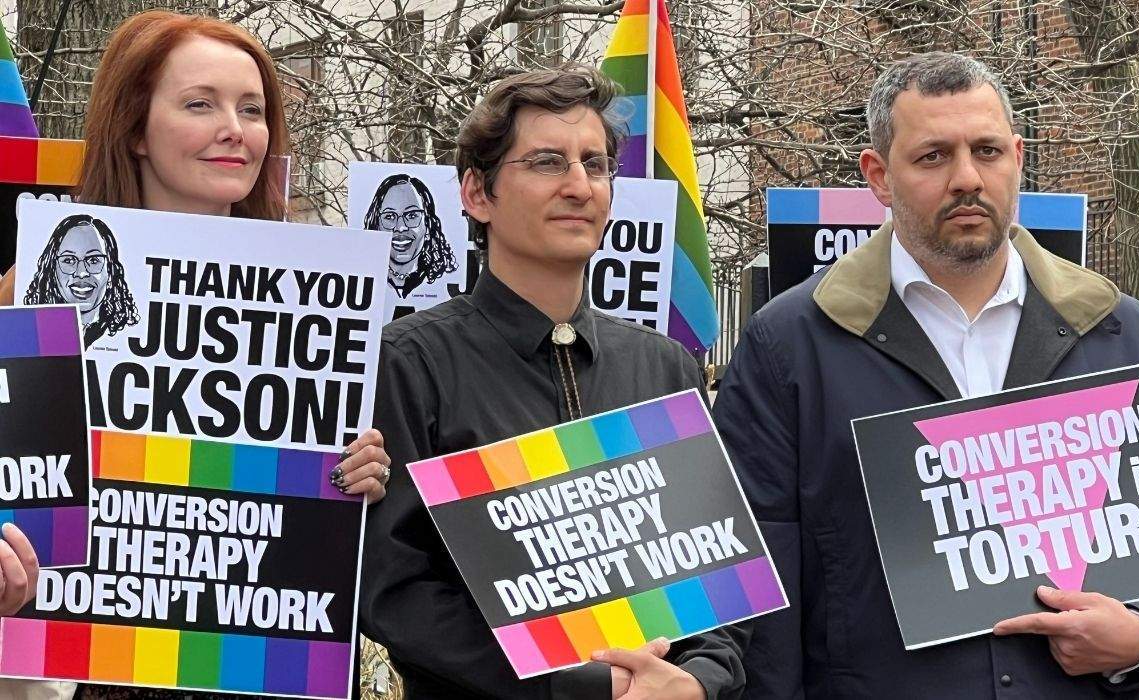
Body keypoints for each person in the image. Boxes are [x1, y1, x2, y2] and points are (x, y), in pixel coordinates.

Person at [713, 51, 1139, 698]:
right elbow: (755, 581)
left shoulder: (1117, 331)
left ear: (1016, 156)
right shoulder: (789, 342)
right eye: (932, 156)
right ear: (878, 175)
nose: (966, 177)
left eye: (986, 151)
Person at [0, 10, 392, 700]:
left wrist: (353, 474)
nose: (234, 130)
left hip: (255, 670)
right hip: (73, 671)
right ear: (133, 129)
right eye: (199, 104)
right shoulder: (25, 298)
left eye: (252, 109)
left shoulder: (320, 304)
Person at [361, 65, 745, 700]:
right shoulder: (408, 363)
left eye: (594, 165)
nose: (578, 186)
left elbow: (718, 573)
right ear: (477, 195)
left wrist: (697, 683)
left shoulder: (664, 367)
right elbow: (396, 591)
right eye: (545, 163)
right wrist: (588, 687)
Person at [23, 214, 140, 348]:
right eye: (69, 260)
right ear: (52, 269)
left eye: (93, 260)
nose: (82, 273)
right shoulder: (31, 333)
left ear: (111, 269)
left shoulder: (124, 337)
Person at [363, 173, 458, 298]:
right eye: (389, 216)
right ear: (376, 225)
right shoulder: (361, 279)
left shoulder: (447, 284)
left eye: (412, 215)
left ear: (428, 224)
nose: (401, 227)